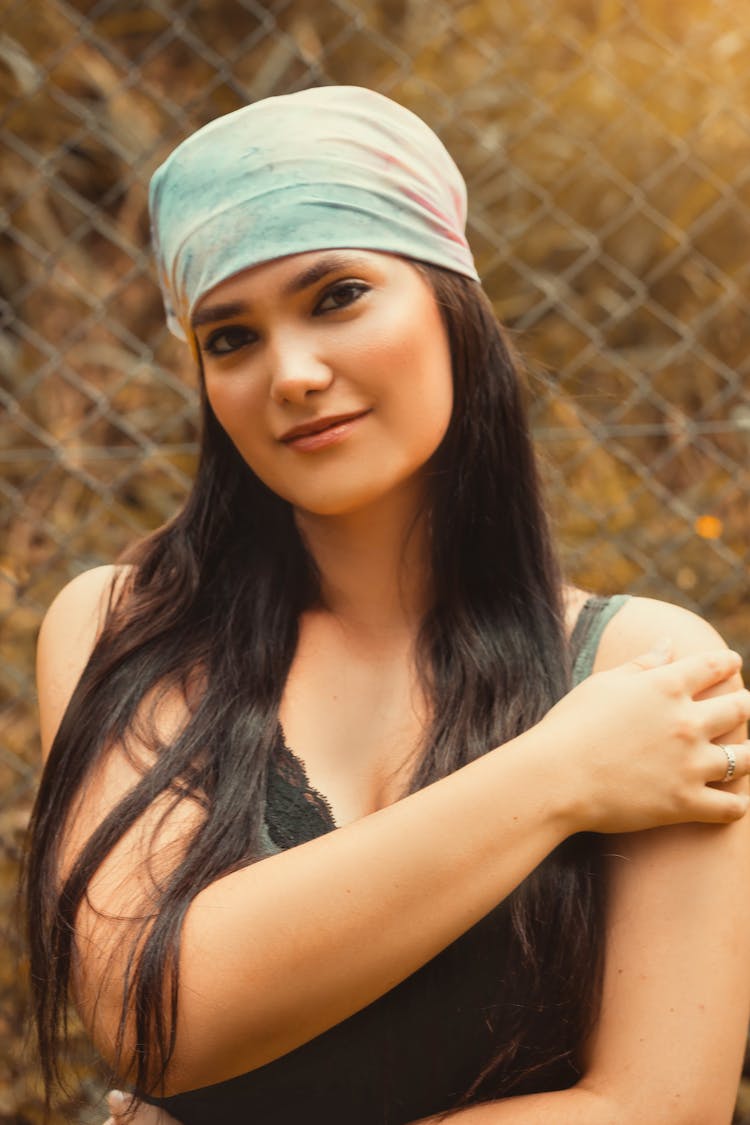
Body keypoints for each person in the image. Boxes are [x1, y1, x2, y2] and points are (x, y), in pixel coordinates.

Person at [25, 86, 750, 1125]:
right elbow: (158, 1020)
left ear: (451, 304)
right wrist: (560, 775)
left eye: (337, 297)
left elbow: (660, 1106)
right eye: (230, 338)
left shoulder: (643, 665)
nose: (294, 373)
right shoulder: (125, 626)